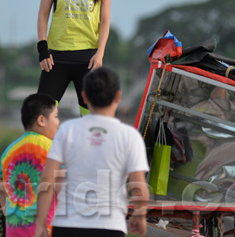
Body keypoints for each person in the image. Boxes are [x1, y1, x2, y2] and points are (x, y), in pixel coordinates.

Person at [34, 67, 150, 237]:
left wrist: (41, 224)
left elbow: (47, 179)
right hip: (110, 227)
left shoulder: (68, 130)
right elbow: (139, 187)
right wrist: (140, 217)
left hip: (66, 226)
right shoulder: (130, 136)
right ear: (118, 96)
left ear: (85, 97)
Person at [37, 0, 111, 116]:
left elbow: (104, 22)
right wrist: (42, 49)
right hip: (56, 60)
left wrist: (100, 54)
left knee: (92, 120)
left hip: (88, 61)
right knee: (41, 115)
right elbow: (43, 14)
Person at [0, 93, 60, 237]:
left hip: (14, 229)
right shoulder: (52, 149)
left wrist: (6, 210)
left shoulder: (10, 149)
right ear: (41, 120)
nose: (58, 122)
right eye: (55, 116)